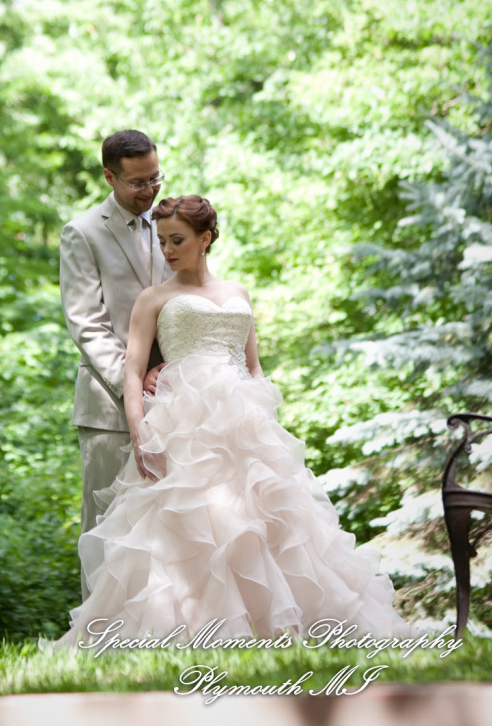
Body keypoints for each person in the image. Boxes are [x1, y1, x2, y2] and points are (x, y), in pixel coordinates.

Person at [57, 195, 408, 643]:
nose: (167, 250)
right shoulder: (154, 297)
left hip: (243, 421)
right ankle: (190, 626)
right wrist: (140, 429)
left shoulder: (238, 292)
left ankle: (270, 623)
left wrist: (264, 418)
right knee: (188, 523)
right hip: (183, 422)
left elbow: (253, 365)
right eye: (162, 241)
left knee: (257, 522)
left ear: (205, 239)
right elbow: (132, 371)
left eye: (177, 240)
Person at [59, 130, 171, 597]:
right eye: (138, 183)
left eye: (155, 178)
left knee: (170, 524)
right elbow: (86, 324)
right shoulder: (83, 232)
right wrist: (134, 383)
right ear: (109, 177)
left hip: (176, 396)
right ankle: (98, 631)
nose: (150, 190)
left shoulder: (172, 223)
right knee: (106, 529)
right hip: (108, 408)